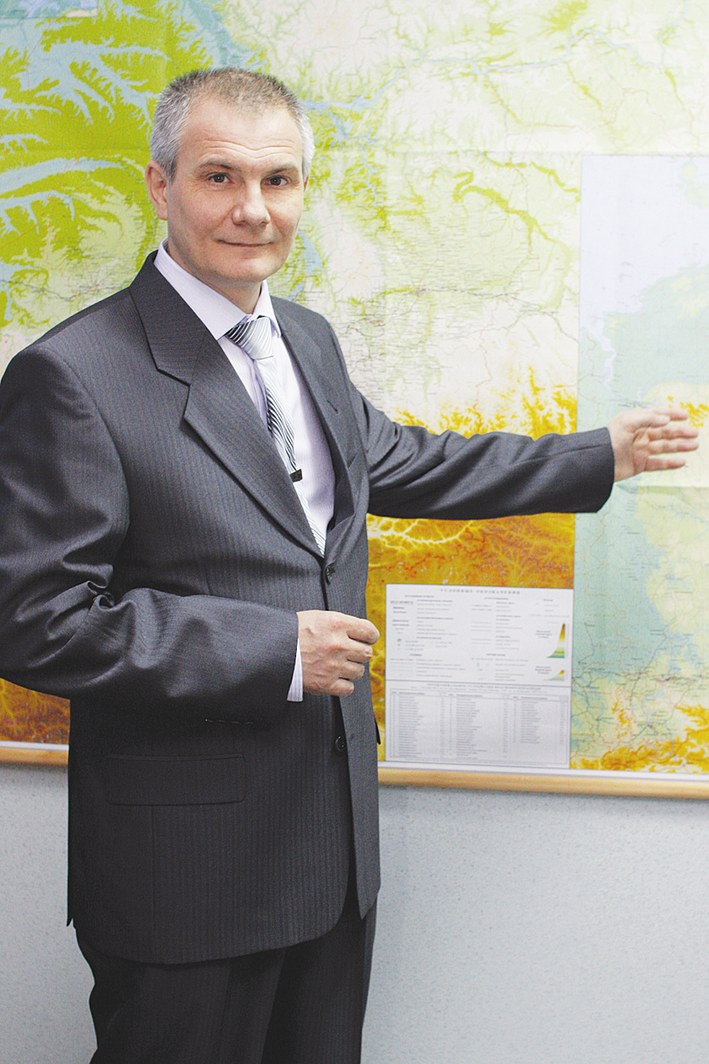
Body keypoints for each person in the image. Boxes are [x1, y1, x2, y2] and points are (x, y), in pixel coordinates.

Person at [0, 67, 698, 1064]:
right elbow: (35, 619)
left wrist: (598, 454)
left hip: (327, 857)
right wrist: (274, 649)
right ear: (160, 185)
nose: (252, 209)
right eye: (219, 177)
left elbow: (400, 461)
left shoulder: (304, 339)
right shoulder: (74, 374)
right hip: (184, 880)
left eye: (277, 180)